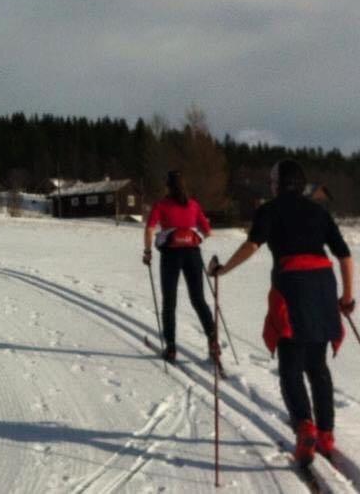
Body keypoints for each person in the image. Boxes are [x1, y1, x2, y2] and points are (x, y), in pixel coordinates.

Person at [208, 159, 353, 465]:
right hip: (324, 289)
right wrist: (348, 296)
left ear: (276, 184)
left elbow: (251, 245)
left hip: (292, 290)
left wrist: (222, 270)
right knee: (318, 366)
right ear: (301, 184)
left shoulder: (269, 210)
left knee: (290, 367)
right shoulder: (319, 211)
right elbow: (344, 255)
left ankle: (304, 428)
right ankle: (326, 435)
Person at [143, 170, 217, 363]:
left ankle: (171, 347)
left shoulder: (161, 205)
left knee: (169, 301)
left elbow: (150, 228)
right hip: (192, 254)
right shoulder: (193, 204)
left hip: (170, 255)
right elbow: (208, 232)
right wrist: (194, 236)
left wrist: (148, 251)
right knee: (199, 299)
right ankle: (213, 341)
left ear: (167, 186)